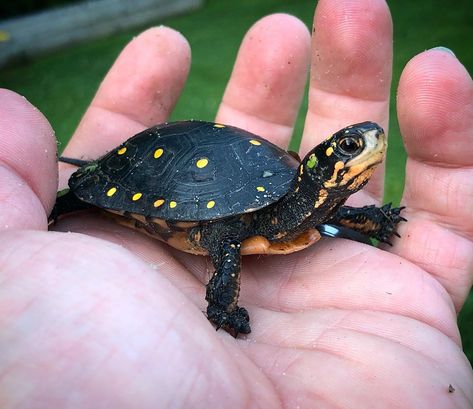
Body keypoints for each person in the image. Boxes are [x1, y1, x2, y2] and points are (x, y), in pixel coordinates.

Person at [0, 0, 472, 407]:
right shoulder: (273, 208)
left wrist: (378, 219)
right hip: (157, 176)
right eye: (350, 147)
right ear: (320, 166)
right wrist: (222, 307)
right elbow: (224, 241)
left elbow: (330, 211)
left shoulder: (302, 201)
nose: (370, 142)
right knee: (214, 233)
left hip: (276, 195)